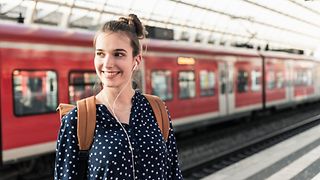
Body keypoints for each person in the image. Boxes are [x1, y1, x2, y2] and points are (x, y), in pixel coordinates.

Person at [54, 14, 183, 180]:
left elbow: (173, 173)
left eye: (118, 54)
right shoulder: (78, 120)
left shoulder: (156, 110)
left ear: (136, 61)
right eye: (100, 54)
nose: (107, 63)